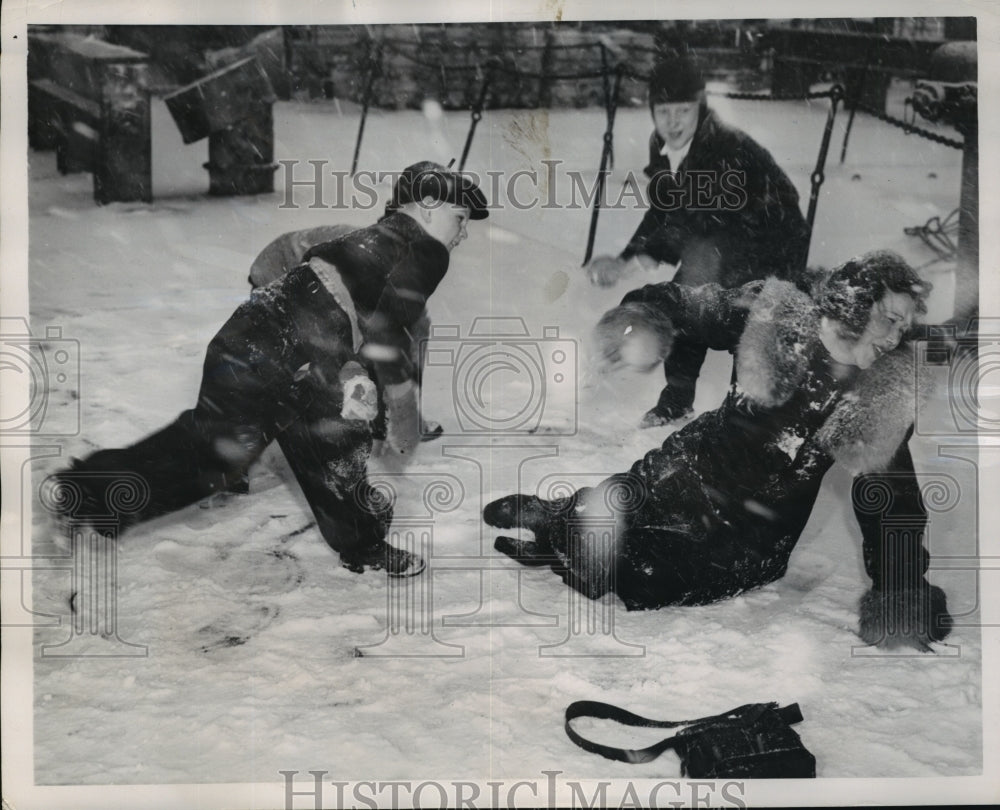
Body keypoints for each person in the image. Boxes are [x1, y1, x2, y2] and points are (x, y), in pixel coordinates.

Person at [484, 250, 953, 650]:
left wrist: (901, 593)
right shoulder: (779, 315)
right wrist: (643, 320)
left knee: (646, 576)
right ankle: (564, 517)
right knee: (614, 505)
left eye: (906, 325)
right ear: (854, 304)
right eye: (890, 319)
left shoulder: (876, 395)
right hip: (686, 468)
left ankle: (586, 545)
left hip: (748, 533)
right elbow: (693, 304)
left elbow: (892, 503)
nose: (896, 336)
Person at [50, 161, 488, 577]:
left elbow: (353, 305)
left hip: (252, 335)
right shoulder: (424, 248)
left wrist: (350, 367)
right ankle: (362, 541)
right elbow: (389, 333)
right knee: (303, 444)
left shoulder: (368, 241)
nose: (463, 233)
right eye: (460, 217)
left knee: (277, 444)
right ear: (426, 207)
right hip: (291, 352)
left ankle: (90, 489)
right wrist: (404, 413)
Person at [587, 53, 811, 428]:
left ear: (700, 106)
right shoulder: (662, 145)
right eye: (664, 111)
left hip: (771, 240)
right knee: (685, 304)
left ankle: (742, 413)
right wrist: (627, 257)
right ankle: (676, 400)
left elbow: (692, 223)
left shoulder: (723, 149)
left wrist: (641, 259)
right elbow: (664, 209)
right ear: (653, 111)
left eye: (683, 111)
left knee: (746, 318)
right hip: (717, 237)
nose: (673, 122)